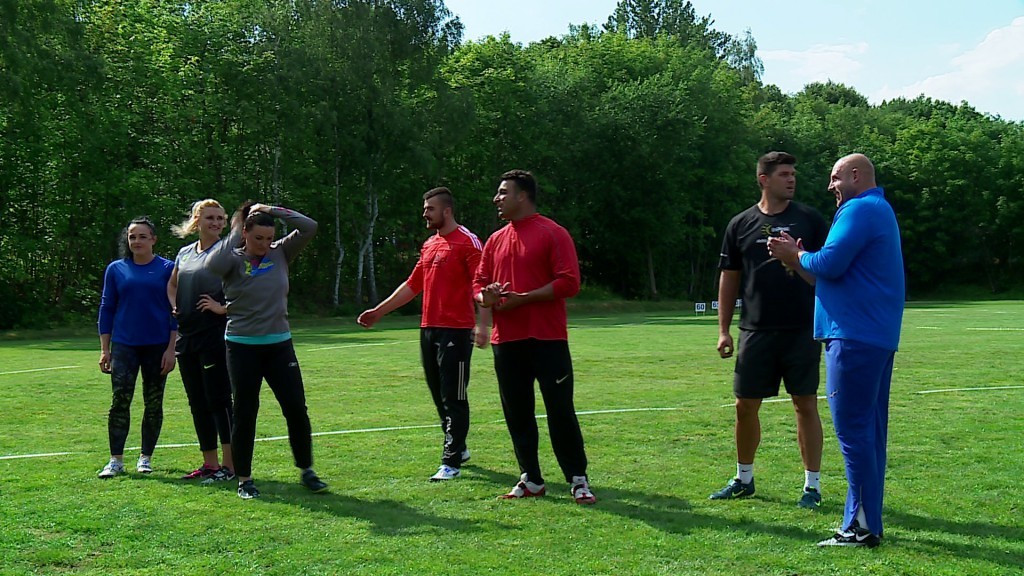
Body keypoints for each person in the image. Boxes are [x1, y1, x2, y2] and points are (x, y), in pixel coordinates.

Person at [768, 153, 904, 548]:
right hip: (871, 336)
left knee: (853, 432)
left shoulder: (859, 209)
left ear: (855, 176)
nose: (830, 186)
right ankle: (867, 523)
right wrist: (797, 261)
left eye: (835, 178)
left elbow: (828, 262)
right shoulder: (878, 210)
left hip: (853, 337)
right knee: (870, 432)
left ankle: (858, 527)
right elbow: (828, 275)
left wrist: (797, 255)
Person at [710, 151, 830, 509]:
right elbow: (729, 278)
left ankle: (812, 487)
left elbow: (827, 271)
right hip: (755, 330)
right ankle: (743, 479)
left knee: (805, 404)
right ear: (763, 179)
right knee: (744, 406)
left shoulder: (810, 220)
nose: (792, 179)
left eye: (793, 174)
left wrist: (794, 259)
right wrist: (723, 330)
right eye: (784, 174)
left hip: (802, 329)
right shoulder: (740, 224)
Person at [473, 169, 596, 505]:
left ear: (522, 195)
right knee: (517, 413)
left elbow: (569, 282)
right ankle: (531, 478)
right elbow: (478, 287)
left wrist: (524, 298)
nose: (496, 199)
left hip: (547, 339)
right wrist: (488, 296)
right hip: (506, 341)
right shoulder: (495, 240)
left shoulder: (553, 233)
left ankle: (578, 479)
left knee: (560, 410)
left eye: (503, 192)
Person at [357, 187, 490, 482]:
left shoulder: (468, 242)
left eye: (430, 209)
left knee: (454, 395)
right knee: (438, 393)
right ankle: (459, 447)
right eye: (425, 208)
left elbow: (480, 286)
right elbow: (412, 285)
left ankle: (451, 461)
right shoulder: (430, 244)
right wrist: (378, 311)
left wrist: (483, 324)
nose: (425, 214)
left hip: (457, 330)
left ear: (447, 211)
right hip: (429, 329)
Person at [204, 201, 327, 499]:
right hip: (242, 347)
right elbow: (211, 265)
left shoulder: (280, 253)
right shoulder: (231, 259)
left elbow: (310, 226)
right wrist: (237, 226)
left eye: (269, 238)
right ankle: (244, 479)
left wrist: (271, 209)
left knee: (296, 408)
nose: (264, 244)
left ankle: (307, 470)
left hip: (279, 346)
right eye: (258, 238)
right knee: (245, 412)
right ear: (245, 233)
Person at [97, 217, 177, 478]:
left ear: (153, 239)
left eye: (143, 236)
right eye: (132, 237)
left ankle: (145, 457)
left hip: (157, 347)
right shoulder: (116, 269)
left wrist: (171, 349)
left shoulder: (168, 268)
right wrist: (105, 349)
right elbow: (107, 308)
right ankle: (116, 460)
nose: (137, 241)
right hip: (124, 346)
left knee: (153, 403)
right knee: (120, 401)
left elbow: (175, 311)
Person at [167, 199, 235, 483]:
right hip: (187, 337)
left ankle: (230, 466)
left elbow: (249, 289)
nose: (216, 223)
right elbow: (172, 284)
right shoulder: (184, 253)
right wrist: (175, 305)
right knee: (197, 401)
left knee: (219, 401)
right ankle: (210, 464)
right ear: (197, 221)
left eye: (220, 218)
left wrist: (222, 308)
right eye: (210, 218)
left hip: (215, 336)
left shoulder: (229, 252)